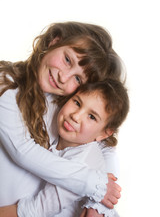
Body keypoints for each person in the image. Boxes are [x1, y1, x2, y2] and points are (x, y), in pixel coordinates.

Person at [0, 22, 124, 216]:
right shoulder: (6, 82)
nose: (63, 78)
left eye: (78, 79)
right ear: (54, 41)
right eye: (67, 60)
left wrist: (99, 204)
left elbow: (104, 145)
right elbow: (22, 150)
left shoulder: (67, 104)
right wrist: (96, 184)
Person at [16, 79, 129, 217]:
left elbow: (35, 211)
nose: (75, 116)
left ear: (104, 133)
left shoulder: (83, 162)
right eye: (77, 103)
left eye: (92, 117)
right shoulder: (57, 133)